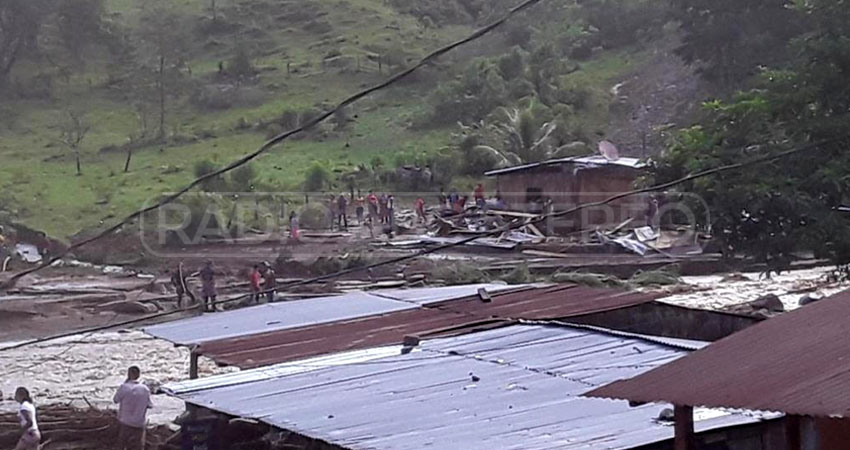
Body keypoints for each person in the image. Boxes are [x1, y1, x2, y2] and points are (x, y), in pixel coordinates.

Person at [113, 366, 152, 450]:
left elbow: (115, 400)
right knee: (138, 447)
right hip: (139, 424)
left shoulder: (124, 387)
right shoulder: (145, 389)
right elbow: (150, 405)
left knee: (121, 445)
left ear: (128, 374)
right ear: (139, 375)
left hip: (125, 422)